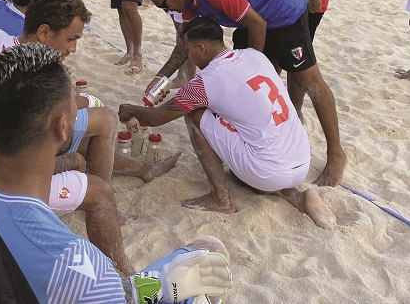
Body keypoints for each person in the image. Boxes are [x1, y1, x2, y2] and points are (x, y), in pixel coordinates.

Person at [0, 0, 183, 276]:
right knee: (99, 190)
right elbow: (44, 154)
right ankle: (124, 277)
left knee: (92, 130)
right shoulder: (30, 82)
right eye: (71, 39)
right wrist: (74, 162)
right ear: (43, 32)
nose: (73, 49)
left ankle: (127, 177)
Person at [0, 42, 232, 304]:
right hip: (88, 289)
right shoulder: (76, 262)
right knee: (208, 261)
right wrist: (168, 288)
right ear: (63, 127)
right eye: (75, 102)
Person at [144, 0, 347, 187]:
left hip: (284, 10)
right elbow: (186, 44)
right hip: (250, 18)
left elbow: (258, 25)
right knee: (246, 88)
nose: (167, 11)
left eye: (164, 6)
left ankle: (336, 154)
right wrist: (160, 77)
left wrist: (249, 66)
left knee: (309, 81)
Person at [120, 16, 337, 228]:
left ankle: (220, 199)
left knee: (194, 114)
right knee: (244, 155)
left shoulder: (203, 83)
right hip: (300, 162)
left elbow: (156, 118)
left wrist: (131, 110)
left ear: (201, 48)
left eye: (189, 51)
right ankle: (298, 196)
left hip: (266, 170)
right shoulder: (254, 55)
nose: (189, 58)